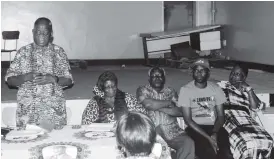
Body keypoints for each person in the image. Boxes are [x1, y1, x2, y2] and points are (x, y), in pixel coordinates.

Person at [5, 17, 73, 130]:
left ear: (51, 34)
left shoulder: (59, 52)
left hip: (54, 115)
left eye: (45, 33)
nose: (41, 35)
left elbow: (69, 80)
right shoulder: (23, 52)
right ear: (33, 32)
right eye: (38, 32)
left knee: (54, 144)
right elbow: (9, 80)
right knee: (27, 145)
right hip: (28, 115)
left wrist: (54, 79)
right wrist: (24, 77)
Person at [216, 64, 273, 159]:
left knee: (268, 140)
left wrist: (249, 90)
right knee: (245, 143)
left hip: (246, 120)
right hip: (229, 118)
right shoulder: (222, 86)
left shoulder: (247, 91)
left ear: (244, 77)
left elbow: (256, 107)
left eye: (237, 74)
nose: (233, 76)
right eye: (232, 73)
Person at [136, 67, 195, 159]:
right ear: (149, 79)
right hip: (151, 130)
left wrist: (158, 107)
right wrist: (169, 103)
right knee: (155, 150)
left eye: (160, 76)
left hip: (172, 130)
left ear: (164, 78)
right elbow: (148, 104)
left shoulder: (170, 91)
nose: (157, 78)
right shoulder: (143, 90)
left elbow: (180, 111)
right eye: (154, 76)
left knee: (188, 143)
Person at [178, 58, 227, 159]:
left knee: (226, 154)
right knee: (208, 153)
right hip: (195, 129)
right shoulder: (185, 90)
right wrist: (209, 138)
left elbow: (221, 116)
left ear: (208, 73)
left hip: (214, 127)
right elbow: (188, 120)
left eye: (202, 70)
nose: (199, 73)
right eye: (196, 70)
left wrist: (214, 133)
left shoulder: (216, 89)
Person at [81, 71, 146, 124]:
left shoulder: (128, 98)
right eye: (108, 87)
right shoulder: (95, 102)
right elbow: (85, 123)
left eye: (113, 86)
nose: (111, 89)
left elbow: (143, 116)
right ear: (102, 88)